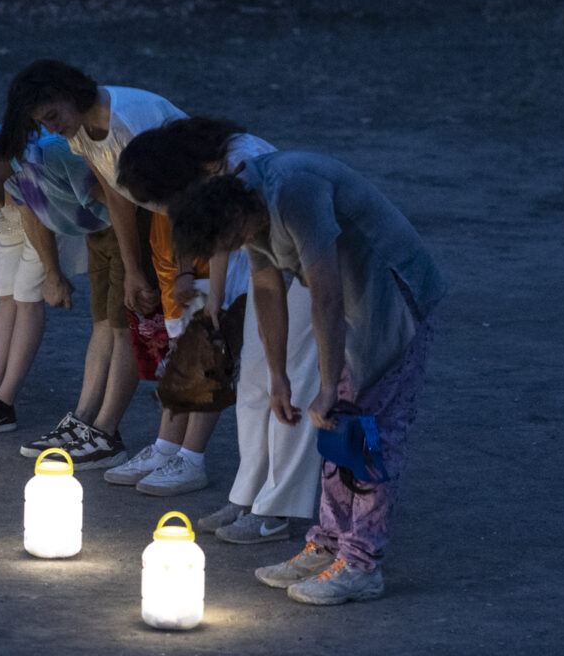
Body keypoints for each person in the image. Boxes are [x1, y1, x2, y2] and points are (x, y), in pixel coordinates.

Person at [171, 153, 446, 606]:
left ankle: (362, 564)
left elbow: (325, 294)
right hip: (354, 299)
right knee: (337, 425)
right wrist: (278, 376)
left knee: (370, 429)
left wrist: (326, 383)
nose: (237, 246)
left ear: (238, 213)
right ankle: (330, 545)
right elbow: (266, 287)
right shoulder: (247, 206)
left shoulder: (294, 192)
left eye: (232, 240)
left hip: (394, 294)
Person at [0, 60, 216, 497]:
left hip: (199, 222)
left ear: (71, 93)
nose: (52, 130)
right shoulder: (80, 131)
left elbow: (184, 193)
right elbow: (118, 195)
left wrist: (185, 268)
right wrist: (134, 269)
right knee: (177, 339)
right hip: (162, 226)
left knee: (202, 340)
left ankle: (190, 459)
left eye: (52, 116)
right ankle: (166, 447)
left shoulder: (130, 120)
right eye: (43, 123)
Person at [117, 117, 322, 546]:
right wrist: (216, 300)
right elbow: (228, 239)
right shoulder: (213, 166)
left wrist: (221, 297)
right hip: (266, 267)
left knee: (292, 382)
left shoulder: (244, 162)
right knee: (252, 385)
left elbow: (246, 240)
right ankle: (246, 496)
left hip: (303, 268)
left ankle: (275, 510)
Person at [0, 133, 131, 468]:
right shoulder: (11, 174)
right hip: (96, 232)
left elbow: (118, 199)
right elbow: (33, 214)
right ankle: (81, 420)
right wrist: (53, 274)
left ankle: (104, 431)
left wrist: (134, 266)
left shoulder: (43, 159)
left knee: (121, 328)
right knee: (101, 323)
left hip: (117, 231)